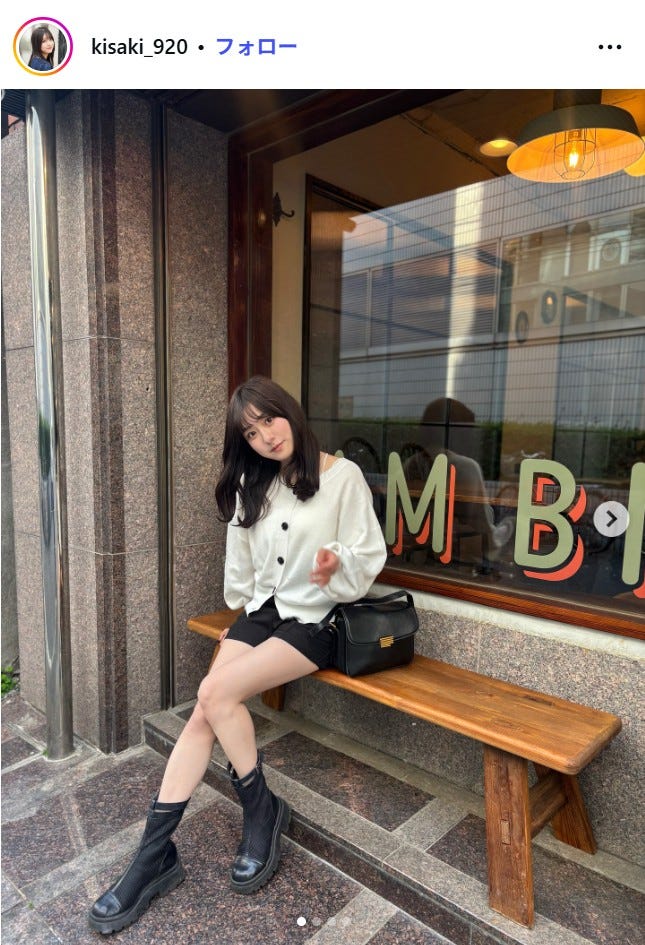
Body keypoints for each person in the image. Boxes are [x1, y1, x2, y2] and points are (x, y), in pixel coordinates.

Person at [88, 375, 387, 933]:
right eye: (250, 433)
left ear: (289, 412)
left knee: (214, 692)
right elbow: (244, 561)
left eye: (269, 420)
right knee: (206, 708)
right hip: (263, 612)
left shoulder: (341, 476)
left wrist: (335, 566)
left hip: (315, 620)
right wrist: (240, 624)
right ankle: (154, 856)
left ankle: (258, 811)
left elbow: (368, 553)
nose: (266, 437)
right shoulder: (255, 481)